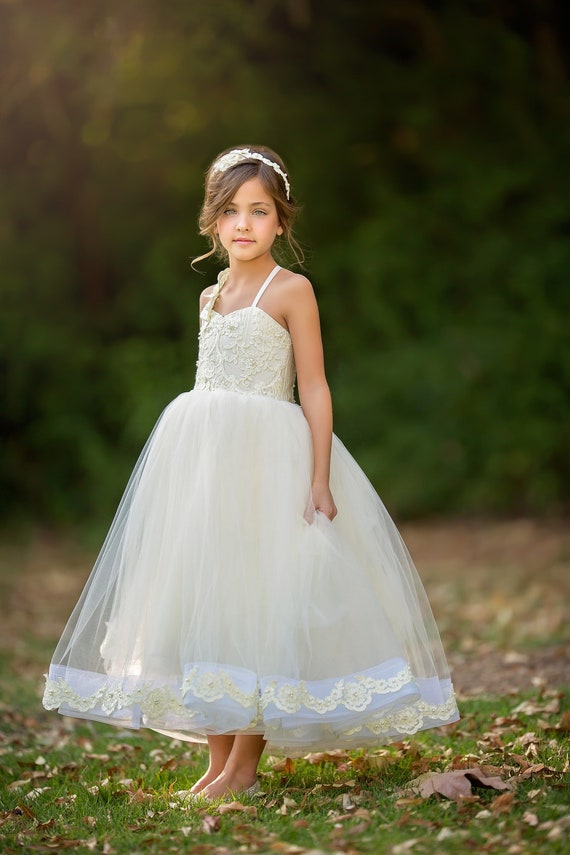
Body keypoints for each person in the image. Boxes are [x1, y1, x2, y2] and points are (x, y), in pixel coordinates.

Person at [43, 145, 459, 801]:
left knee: (261, 601)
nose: (244, 224)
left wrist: (319, 476)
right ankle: (216, 761)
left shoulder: (291, 290)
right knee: (210, 604)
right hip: (204, 461)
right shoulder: (211, 294)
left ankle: (244, 768)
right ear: (212, 222)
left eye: (259, 211)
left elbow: (315, 387)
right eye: (231, 211)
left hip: (270, 460)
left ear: (280, 222)